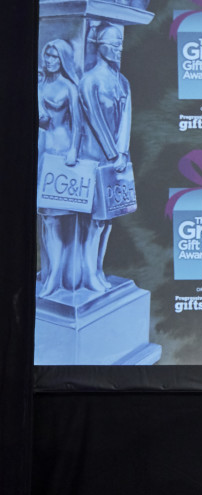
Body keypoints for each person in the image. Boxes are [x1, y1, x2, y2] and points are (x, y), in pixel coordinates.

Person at [79, 24, 132, 292]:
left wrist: (121, 153)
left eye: (120, 44)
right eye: (113, 43)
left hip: (116, 160)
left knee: (109, 217)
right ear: (99, 44)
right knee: (93, 220)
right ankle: (89, 273)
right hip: (94, 159)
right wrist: (112, 153)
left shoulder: (122, 82)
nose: (118, 49)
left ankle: (98, 269)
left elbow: (125, 121)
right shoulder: (90, 81)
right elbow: (95, 120)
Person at [37, 39, 83, 296]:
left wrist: (74, 151)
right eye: (47, 55)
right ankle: (50, 273)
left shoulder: (68, 88)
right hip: (41, 151)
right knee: (46, 217)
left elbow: (78, 124)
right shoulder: (39, 83)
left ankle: (55, 276)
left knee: (58, 216)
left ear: (62, 59)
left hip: (62, 152)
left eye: (54, 56)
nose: (49, 60)